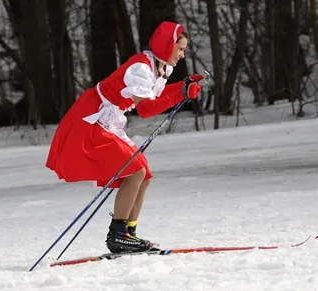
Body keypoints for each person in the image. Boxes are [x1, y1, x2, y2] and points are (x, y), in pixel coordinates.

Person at [46, 21, 205, 254]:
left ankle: (128, 233)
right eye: (180, 49)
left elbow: (154, 97)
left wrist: (183, 85)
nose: (182, 54)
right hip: (92, 119)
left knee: (144, 175)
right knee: (135, 171)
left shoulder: (157, 67)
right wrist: (181, 93)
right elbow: (146, 109)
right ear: (167, 46)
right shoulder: (140, 68)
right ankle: (118, 235)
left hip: (108, 120)